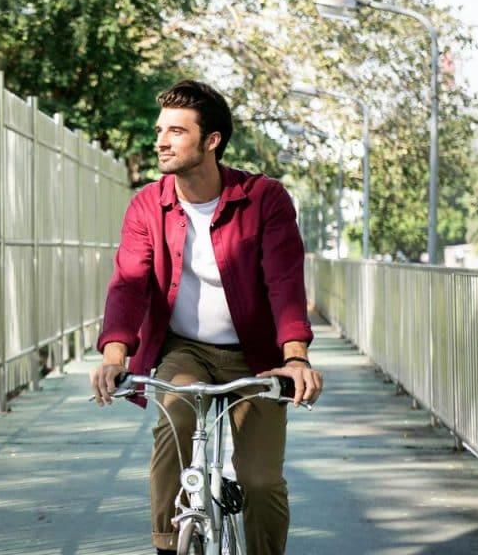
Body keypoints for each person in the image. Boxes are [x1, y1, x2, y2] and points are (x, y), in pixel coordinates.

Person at [89, 79, 324, 555]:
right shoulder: (148, 204)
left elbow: (284, 281)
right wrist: (116, 355)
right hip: (184, 349)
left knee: (259, 480)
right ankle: (166, 546)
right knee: (171, 430)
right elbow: (129, 283)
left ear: (211, 140)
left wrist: (295, 357)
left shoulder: (264, 200)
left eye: (177, 131)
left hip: (256, 357)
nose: (161, 141)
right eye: (160, 130)